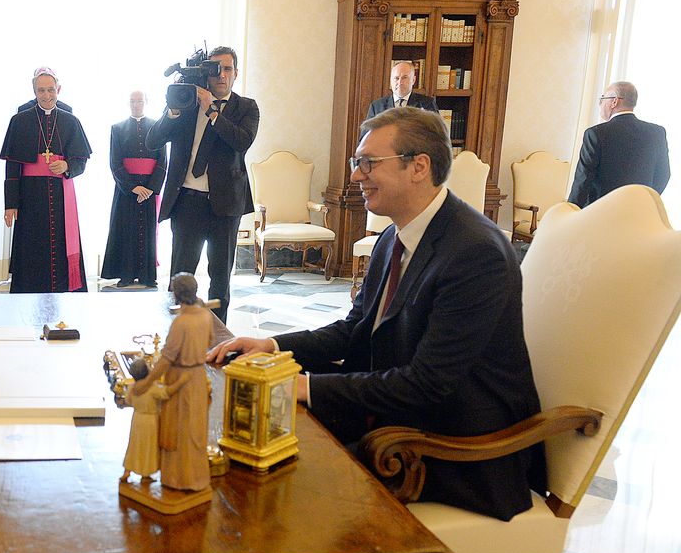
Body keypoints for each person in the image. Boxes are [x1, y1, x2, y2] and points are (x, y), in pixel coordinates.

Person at [209, 108, 544, 522]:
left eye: (368, 163)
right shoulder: (393, 237)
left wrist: (304, 387)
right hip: (398, 418)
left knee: (273, 482)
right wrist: (273, 346)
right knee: (239, 442)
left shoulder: (476, 253)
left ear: (418, 166)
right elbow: (355, 330)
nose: (356, 175)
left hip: (452, 448)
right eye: (357, 163)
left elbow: (427, 385)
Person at [146, 46, 259, 323]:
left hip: (226, 206)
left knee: (220, 277)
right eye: (215, 68)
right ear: (205, 74)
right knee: (181, 275)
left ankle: (218, 338)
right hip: (187, 202)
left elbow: (241, 141)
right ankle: (176, 331)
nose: (221, 75)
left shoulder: (246, 107)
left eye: (228, 69)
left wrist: (212, 111)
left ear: (236, 74)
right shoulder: (185, 104)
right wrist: (172, 110)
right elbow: (153, 141)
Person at [0, 68, 93, 293]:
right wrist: (11, 204)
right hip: (29, 196)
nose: (46, 95)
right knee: (31, 246)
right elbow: (12, 166)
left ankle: (63, 291)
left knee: (61, 244)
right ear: (34, 91)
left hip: (61, 195)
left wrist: (68, 166)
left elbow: (81, 159)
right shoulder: (20, 121)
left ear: (58, 89)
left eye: (51, 90)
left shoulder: (71, 121)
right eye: (41, 90)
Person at [141, 274, 214, 492]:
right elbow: (209, 342)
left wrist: (148, 381)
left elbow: (167, 358)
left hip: (180, 379)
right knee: (196, 431)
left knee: (179, 431)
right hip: (199, 377)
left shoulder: (181, 322)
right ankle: (197, 477)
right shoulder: (205, 315)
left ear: (177, 293)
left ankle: (179, 479)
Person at [567, 81, 670, 208]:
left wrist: (570, 210)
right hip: (639, 213)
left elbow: (583, 179)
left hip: (599, 213)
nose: (600, 104)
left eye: (602, 99)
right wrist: (644, 201)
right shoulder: (657, 133)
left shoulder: (595, 134)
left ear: (614, 101)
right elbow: (663, 175)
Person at [101, 91, 167, 288]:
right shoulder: (117, 128)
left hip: (148, 189)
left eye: (139, 101)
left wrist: (149, 188)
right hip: (126, 190)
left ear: (146, 102)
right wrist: (133, 187)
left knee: (148, 232)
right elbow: (115, 163)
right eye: (132, 101)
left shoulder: (157, 127)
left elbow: (163, 162)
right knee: (125, 230)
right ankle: (126, 275)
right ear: (128, 103)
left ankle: (148, 276)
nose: (136, 104)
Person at [120, 358, 180, 483]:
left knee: (134, 445)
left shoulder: (132, 387)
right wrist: (180, 383)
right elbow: (166, 393)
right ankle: (145, 473)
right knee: (148, 447)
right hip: (150, 420)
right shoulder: (152, 388)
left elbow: (127, 401)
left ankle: (127, 471)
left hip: (137, 419)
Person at [365, 61, 438, 119]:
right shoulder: (376, 107)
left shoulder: (427, 104)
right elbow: (366, 136)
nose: (400, 82)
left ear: (413, 80)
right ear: (390, 80)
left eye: (404, 77)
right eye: (396, 78)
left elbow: (437, 135)